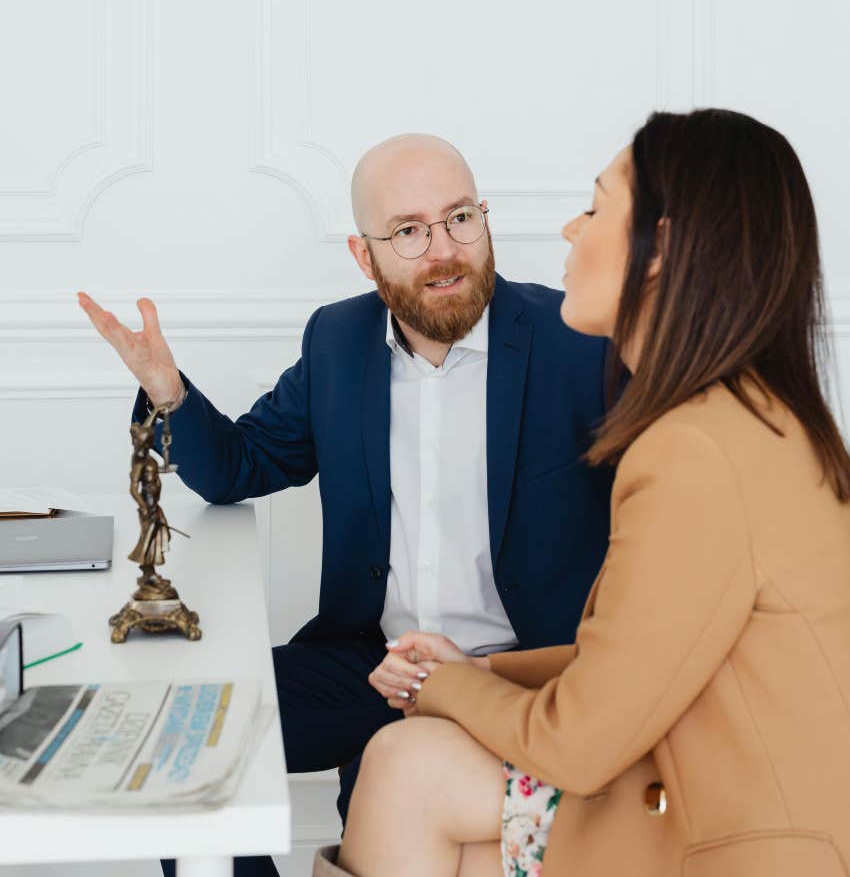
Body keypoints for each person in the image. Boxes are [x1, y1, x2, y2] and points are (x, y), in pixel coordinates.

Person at [321, 110, 850, 877]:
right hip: (718, 781)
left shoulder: (694, 450)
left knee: (406, 768)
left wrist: (442, 685)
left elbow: (577, 742)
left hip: (741, 830)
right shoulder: (745, 413)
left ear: (661, 249)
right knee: (424, 787)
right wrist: (482, 674)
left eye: (597, 207)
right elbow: (648, 651)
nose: (571, 229)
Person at [77, 133, 613, 877]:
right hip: (376, 664)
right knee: (182, 738)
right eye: (409, 231)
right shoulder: (339, 341)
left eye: (461, 217)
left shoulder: (577, 341)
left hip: (520, 675)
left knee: (379, 800)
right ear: (365, 257)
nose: (444, 249)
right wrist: (169, 393)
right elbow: (242, 464)